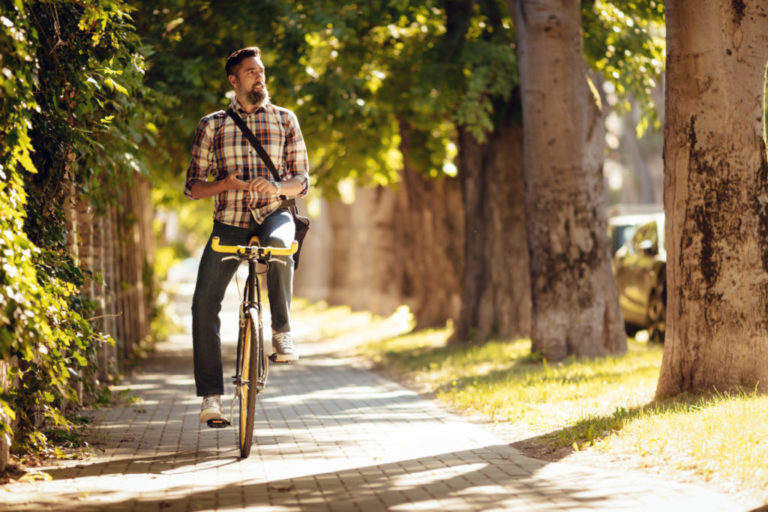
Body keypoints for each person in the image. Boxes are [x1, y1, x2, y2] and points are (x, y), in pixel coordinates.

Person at [185, 46, 309, 425]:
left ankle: (281, 332)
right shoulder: (213, 125)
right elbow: (192, 186)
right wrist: (225, 183)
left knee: (280, 246)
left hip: (274, 214)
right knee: (203, 302)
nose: (259, 76)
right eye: (251, 72)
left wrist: (275, 188)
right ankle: (211, 398)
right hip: (230, 222)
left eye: (261, 71)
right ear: (234, 80)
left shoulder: (286, 120)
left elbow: (301, 181)